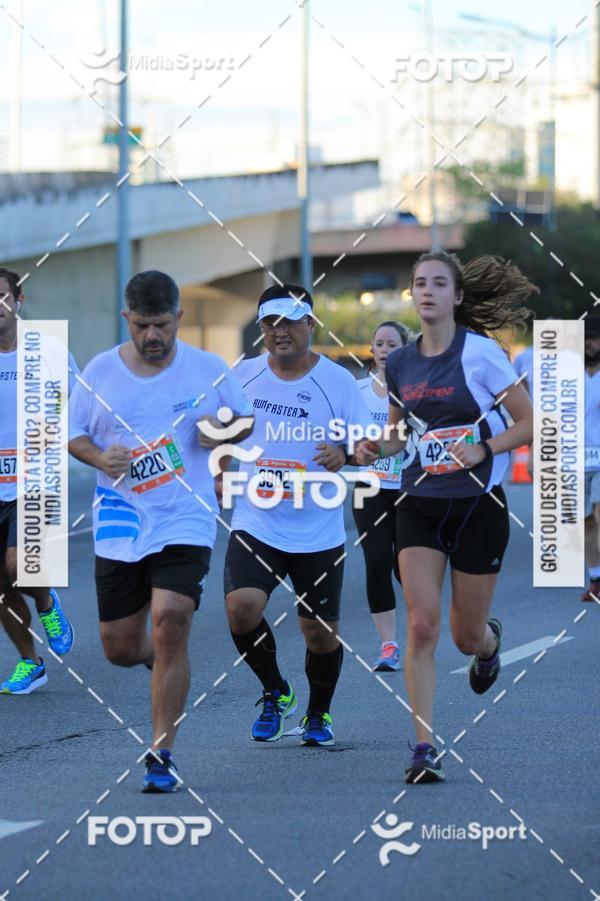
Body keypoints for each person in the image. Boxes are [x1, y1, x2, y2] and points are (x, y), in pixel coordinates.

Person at [68, 270, 253, 792]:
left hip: (185, 515)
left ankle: (161, 753)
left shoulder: (207, 369)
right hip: (121, 523)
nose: (154, 336)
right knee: (120, 648)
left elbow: (244, 420)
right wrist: (102, 456)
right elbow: (71, 433)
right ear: (127, 318)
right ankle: (156, 659)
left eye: (164, 325)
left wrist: (218, 434)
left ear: (180, 318)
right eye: (144, 325)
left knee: (171, 619)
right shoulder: (101, 373)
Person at [357, 252, 535, 783]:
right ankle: (423, 746)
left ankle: (488, 645)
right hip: (419, 504)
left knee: (464, 635)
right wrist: (374, 446)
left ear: (457, 297)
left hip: (479, 507)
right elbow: (396, 432)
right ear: (411, 296)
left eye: (439, 283)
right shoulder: (402, 363)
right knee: (421, 623)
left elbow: (528, 423)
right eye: (419, 283)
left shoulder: (481, 356)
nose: (428, 290)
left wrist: (484, 447)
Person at [224, 284, 373, 747]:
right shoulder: (243, 375)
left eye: (289, 321)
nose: (279, 331)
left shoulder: (339, 383)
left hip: (317, 527)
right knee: (241, 606)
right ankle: (275, 690)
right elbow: (213, 427)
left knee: (319, 633)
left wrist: (345, 453)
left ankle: (318, 714)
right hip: (257, 519)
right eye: (270, 323)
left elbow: (372, 447)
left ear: (310, 324)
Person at [0, 267, 76, 695]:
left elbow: (79, 406)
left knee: (19, 567)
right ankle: (31, 662)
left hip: (34, 481)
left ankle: (47, 603)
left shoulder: (46, 350)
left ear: (18, 300)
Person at [352, 321, 409, 671]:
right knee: (376, 560)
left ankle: (425, 627)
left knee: (409, 568)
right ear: (372, 350)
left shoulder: (417, 389)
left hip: (409, 489)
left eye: (393, 344)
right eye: (380, 343)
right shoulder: (356, 391)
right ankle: (388, 645)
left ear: (405, 349)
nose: (385, 349)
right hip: (368, 487)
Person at [582, 317, 600, 602]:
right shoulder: (566, 374)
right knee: (584, 522)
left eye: (593, 338)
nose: (588, 343)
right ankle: (595, 578)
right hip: (574, 459)